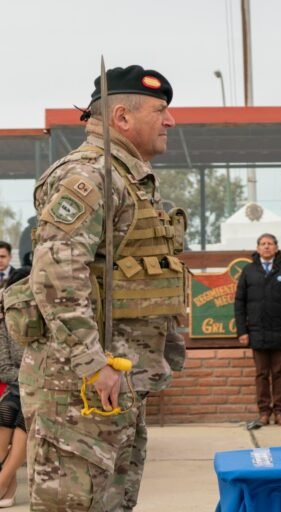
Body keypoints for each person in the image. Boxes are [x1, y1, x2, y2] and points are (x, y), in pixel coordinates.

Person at [20, 65, 188, 511]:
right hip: (79, 386)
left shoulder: (128, 178)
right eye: (161, 110)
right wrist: (93, 363)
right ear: (122, 117)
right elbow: (56, 271)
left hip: (115, 381)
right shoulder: (91, 175)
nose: (170, 121)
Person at [235, 233, 281, 428]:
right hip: (257, 332)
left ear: (276, 248)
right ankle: (264, 412)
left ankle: (280, 412)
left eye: (270, 244)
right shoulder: (248, 271)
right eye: (263, 244)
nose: (266, 247)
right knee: (262, 374)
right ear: (257, 248)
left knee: (279, 373)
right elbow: (239, 303)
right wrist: (242, 331)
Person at [0, 266, 30, 508]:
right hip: (18, 386)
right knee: (7, 411)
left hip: (43, 390)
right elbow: (3, 366)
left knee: (24, 416)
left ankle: (3, 481)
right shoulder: (4, 322)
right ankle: (7, 482)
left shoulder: (49, 320)